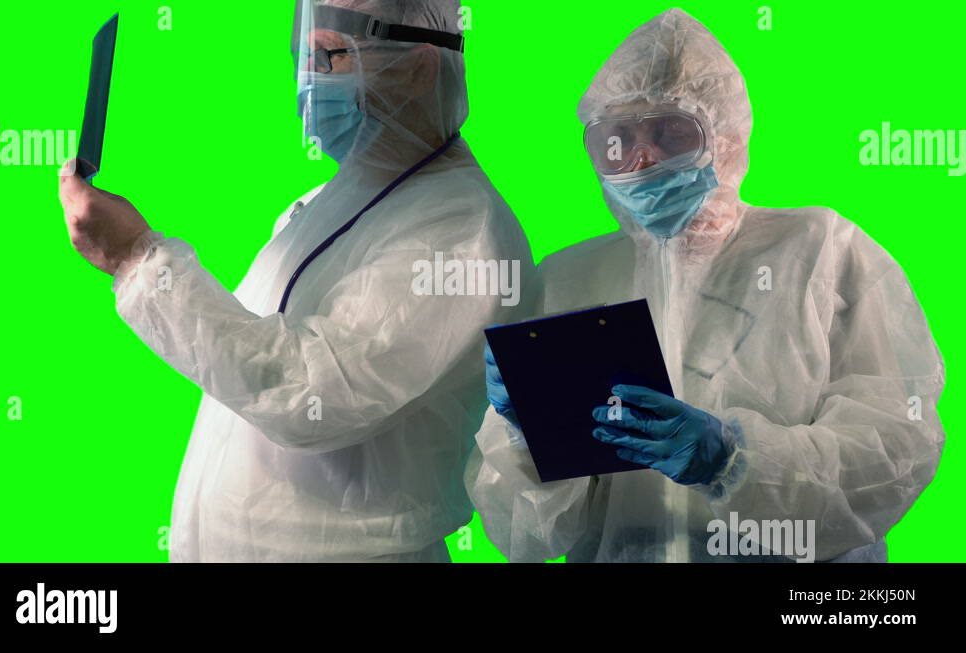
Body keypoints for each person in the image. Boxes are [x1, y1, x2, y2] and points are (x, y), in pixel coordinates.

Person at [58, 0, 537, 562]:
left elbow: (311, 393)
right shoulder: (321, 203)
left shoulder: (461, 235)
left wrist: (138, 260)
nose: (306, 82)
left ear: (418, 66)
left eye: (327, 56)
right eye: (299, 58)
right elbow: (243, 366)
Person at [466, 8, 945, 563]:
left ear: (727, 136)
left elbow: (894, 448)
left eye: (670, 131)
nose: (640, 157)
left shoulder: (823, 251)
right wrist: (532, 436)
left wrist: (732, 463)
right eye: (617, 136)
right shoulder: (570, 277)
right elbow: (527, 536)